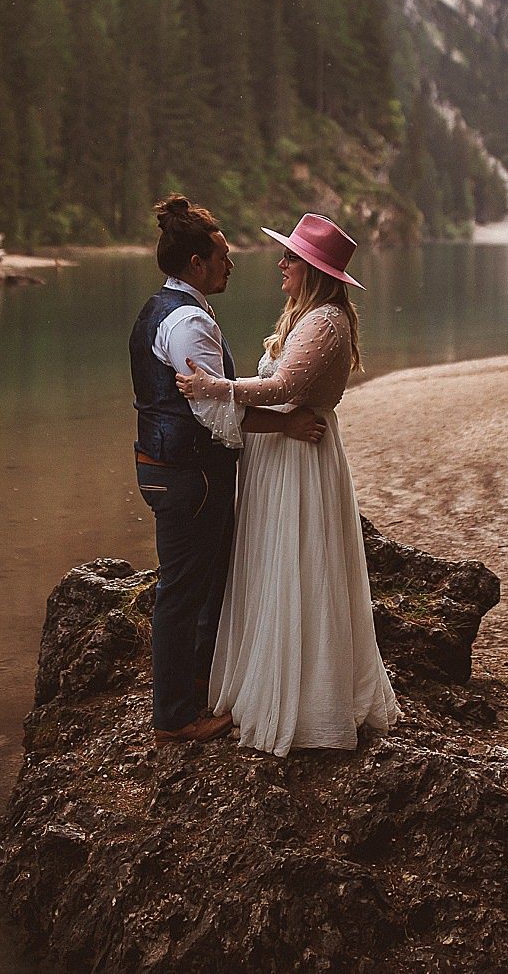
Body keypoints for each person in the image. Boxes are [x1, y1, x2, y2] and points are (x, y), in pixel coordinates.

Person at [176, 212, 399, 756]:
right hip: (283, 452)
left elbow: (281, 386)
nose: (281, 264)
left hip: (298, 459)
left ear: (313, 271)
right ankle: (272, 680)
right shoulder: (311, 317)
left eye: (291, 258)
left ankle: (304, 701)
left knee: (297, 566)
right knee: (276, 566)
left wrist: (215, 385)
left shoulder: (325, 322)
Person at [131, 196, 328, 745]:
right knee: (183, 592)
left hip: (168, 467)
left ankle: (197, 689)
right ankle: (174, 716)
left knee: (203, 581)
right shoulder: (189, 321)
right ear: (196, 263)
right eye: (221, 255)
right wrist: (283, 427)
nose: (231, 263)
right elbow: (218, 418)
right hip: (189, 473)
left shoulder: (162, 308)